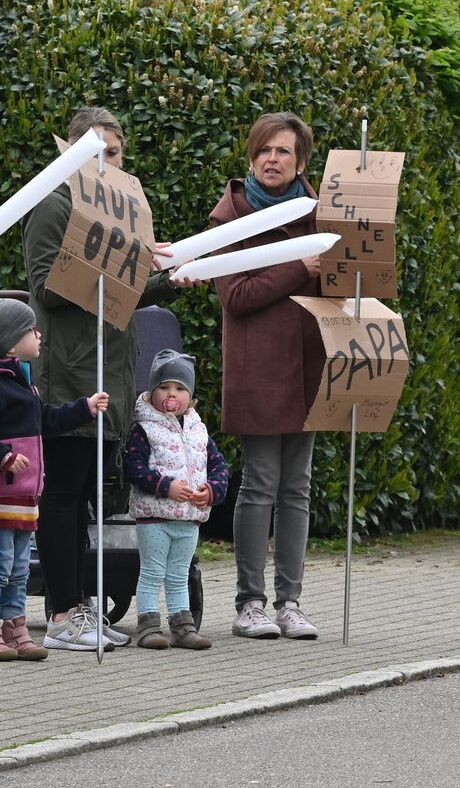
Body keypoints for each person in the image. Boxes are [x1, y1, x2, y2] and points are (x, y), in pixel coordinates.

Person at [21, 106, 180, 651]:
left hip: (110, 365)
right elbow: (44, 287)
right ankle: (63, 612)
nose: (104, 161)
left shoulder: (125, 213)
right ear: (69, 152)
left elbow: (120, 299)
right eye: (93, 151)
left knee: (88, 495)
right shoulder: (54, 201)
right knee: (63, 492)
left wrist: (166, 280)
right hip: (68, 369)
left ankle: (83, 606)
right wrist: (118, 267)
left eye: (112, 152)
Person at [211, 111, 324, 640]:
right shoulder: (229, 217)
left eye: (283, 152)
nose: (272, 160)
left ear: (301, 162)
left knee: (297, 488)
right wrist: (302, 266)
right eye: (264, 151)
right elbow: (238, 295)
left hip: (309, 364)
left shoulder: (323, 215)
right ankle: (249, 603)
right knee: (259, 486)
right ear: (251, 159)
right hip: (258, 367)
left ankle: (291, 602)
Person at [0, 298, 109, 661]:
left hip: (25, 496)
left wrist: (83, 409)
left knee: (20, 567)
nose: (39, 334)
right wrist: (3, 458)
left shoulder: (22, 382)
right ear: (11, 342)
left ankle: (14, 627)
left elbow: (46, 421)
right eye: (31, 330)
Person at [124, 350, 228, 650]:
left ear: (190, 396)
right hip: (155, 517)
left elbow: (219, 466)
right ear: (152, 391)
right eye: (164, 387)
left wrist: (211, 491)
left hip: (190, 517)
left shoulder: (199, 430)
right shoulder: (144, 427)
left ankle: (183, 627)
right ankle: (147, 627)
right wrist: (164, 486)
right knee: (153, 572)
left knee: (179, 575)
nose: (172, 394)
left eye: (180, 388)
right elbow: (135, 468)